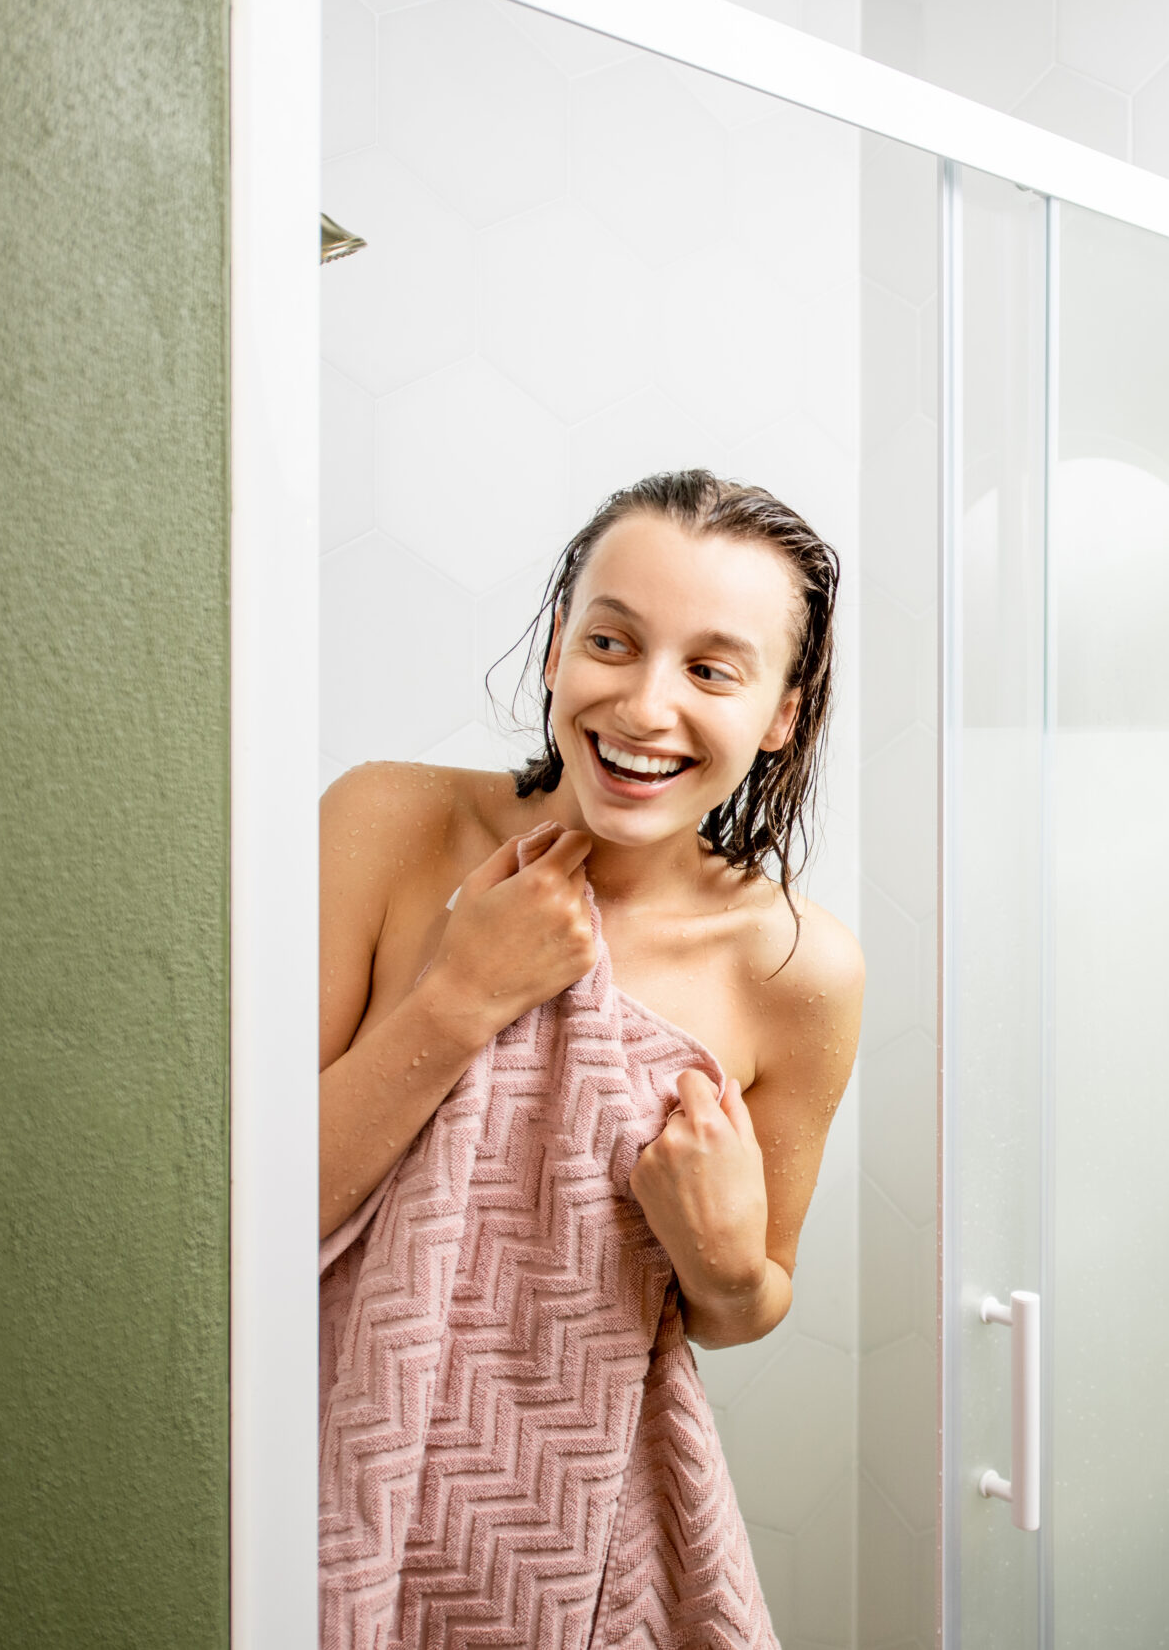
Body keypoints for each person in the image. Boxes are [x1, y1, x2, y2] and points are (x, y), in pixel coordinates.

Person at [315, 469, 861, 1646]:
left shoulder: (799, 971)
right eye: (613, 640)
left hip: (586, 1547)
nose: (646, 706)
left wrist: (720, 1260)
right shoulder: (385, 823)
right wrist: (461, 992)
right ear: (560, 643)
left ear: (782, 711)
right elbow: (248, 1217)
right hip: (311, 1478)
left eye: (712, 668)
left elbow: (746, 1300)